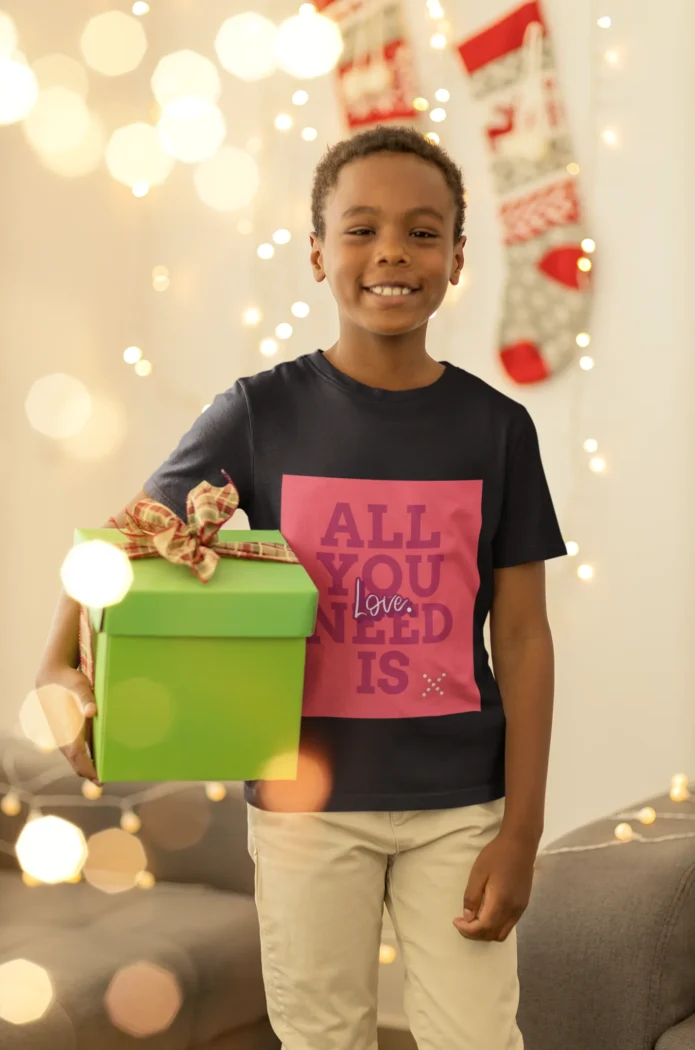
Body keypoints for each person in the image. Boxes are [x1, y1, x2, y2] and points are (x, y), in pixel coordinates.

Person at [36, 124, 568, 1050]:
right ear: (318, 252)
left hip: (462, 806)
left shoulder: (498, 430)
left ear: (456, 260)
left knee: (480, 1038)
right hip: (305, 808)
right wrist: (59, 665)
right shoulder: (258, 412)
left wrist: (522, 829)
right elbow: (128, 541)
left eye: (422, 231)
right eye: (361, 229)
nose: (392, 251)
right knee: (324, 1036)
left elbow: (521, 639)